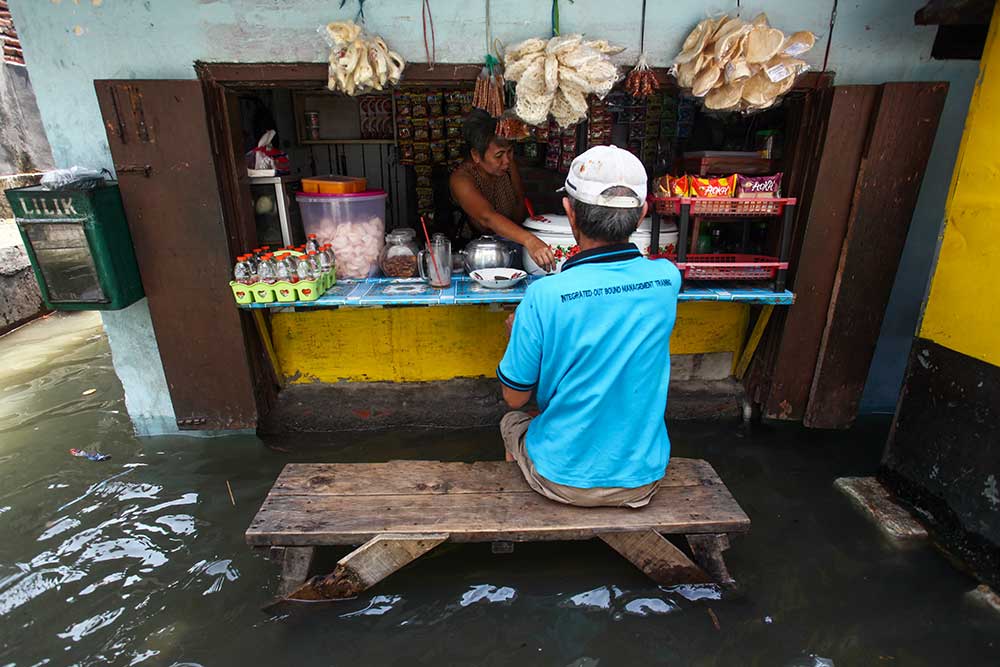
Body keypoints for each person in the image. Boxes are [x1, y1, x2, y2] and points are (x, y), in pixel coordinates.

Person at [496, 145, 682, 508]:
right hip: (643, 481)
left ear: (569, 211)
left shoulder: (545, 295)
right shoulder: (667, 279)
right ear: (643, 213)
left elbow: (514, 395)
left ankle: (520, 509)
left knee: (514, 420)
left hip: (561, 479)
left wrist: (517, 334)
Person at [449, 109, 556, 272]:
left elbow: (520, 199)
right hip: (481, 256)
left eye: (510, 152)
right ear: (476, 155)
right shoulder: (461, 179)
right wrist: (529, 240)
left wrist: (523, 237)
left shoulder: (507, 166)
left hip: (514, 243)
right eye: (499, 155)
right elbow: (487, 217)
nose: (507, 161)